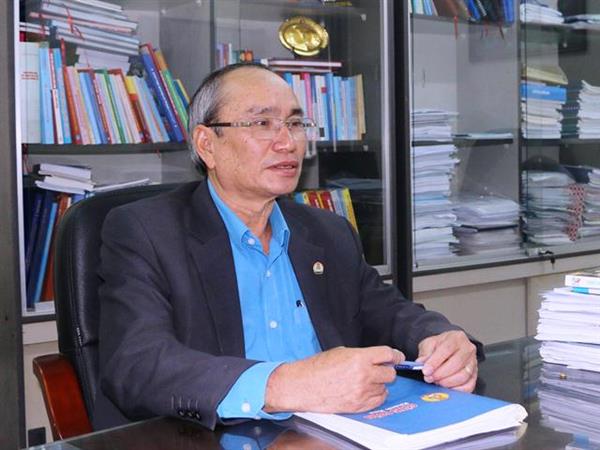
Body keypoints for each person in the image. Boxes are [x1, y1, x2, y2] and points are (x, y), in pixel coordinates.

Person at [94, 62, 481, 431]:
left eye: (295, 124)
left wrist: (440, 338)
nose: (288, 142)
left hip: (333, 432)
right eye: (262, 123)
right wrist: (283, 385)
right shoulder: (144, 231)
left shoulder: (328, 232)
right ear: (207, 144)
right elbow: (137, 364)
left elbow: (389, 312)